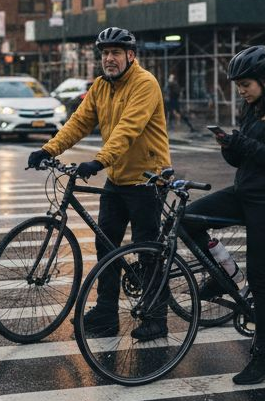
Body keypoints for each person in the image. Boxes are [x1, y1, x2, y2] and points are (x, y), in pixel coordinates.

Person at [26, 27, 172, 338]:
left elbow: (128, 129)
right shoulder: (101, 87)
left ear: (130, 56)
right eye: (105, 53)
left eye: (116, 53)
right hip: (118, 179)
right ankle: (107, 312)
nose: (109, 58)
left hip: (148, 178)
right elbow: (78, 122)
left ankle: (157, 317)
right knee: (106, 245)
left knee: (148, 250)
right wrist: (48, 149)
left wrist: (99, 160)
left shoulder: (144, 84)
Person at [182, 45, 265, 385]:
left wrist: (241, 143)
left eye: (246, 83)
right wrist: (230, 147)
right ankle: (225, 270)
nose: (240, 89)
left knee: (261, 280)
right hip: (246, 192)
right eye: (237, 84)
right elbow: (242, 160)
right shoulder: (251, 109)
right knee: (186, 219)